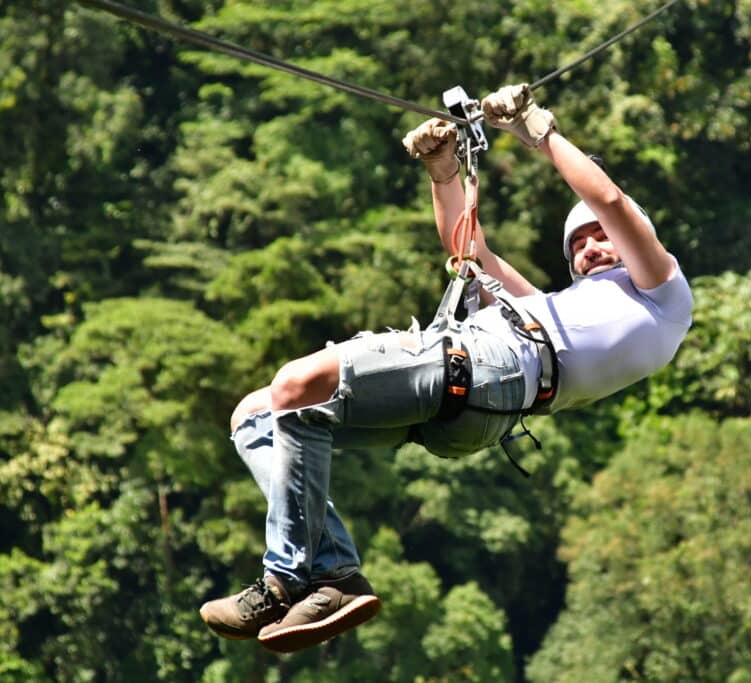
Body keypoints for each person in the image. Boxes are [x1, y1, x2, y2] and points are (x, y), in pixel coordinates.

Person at [198, 84, 694, 653]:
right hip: (479, 400)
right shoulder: (546, 306)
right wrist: (443, 172)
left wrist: (538, 128)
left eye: (601, 238)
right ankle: (332, 575)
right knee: (259, 413)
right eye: (578, 245)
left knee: (295, 383)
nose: (590, 248)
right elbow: (469, 254)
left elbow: (609, 200)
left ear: (637, 239)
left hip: (497, 368)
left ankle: (286, 577)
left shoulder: (662, 294)